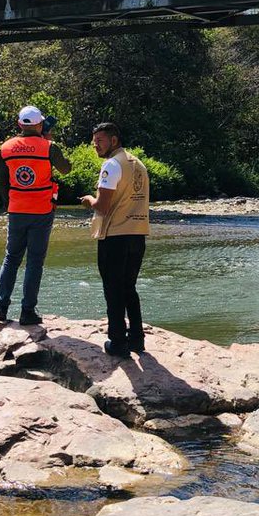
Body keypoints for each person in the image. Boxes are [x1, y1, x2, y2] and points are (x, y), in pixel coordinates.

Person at [0, 105, 72, 326]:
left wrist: (9, 201)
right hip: (42, 210)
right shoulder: (49, 147)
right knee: (34, 262)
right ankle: (27, 311)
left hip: (17, 209)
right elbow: (66, 169)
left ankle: (1, 310)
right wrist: (49, 141)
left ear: (19, 124)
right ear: (40, 124)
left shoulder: (5, 148)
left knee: (11, 258)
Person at [80, 122, 149, 358]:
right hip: (137, 234)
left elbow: (102, 206)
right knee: (129, 287)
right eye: (94, 141)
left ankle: (118, 342)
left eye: (99, 141)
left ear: (114, 140)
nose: (95, 145)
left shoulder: (111, 165)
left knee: (113, 289)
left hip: (115, 236)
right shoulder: (138, 163)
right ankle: (137, 340)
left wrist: (89, 200)